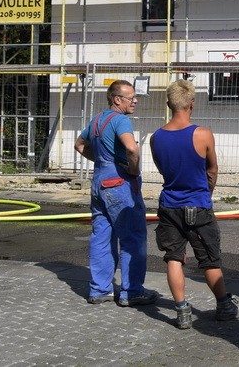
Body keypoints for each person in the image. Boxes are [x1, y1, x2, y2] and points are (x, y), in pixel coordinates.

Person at [149, 79, 239, 329]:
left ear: (169, 103)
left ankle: (181, 311)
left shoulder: (156, 137)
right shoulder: (202, 134)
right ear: (191, 103)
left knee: (173, 258)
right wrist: (206, 191)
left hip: (170, 204)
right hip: (198, 205)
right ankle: (224, 305)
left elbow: (163, 170)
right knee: (210, 260)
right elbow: (212, 169)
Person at [74, 80, 159, 307]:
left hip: (99, 182)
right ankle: (131, 292)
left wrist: (102, 162)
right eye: (131, 98)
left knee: (101, 236)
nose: (135, 101)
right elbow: (132, 148)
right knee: (132, 238)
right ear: (117, 100)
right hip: (119, 184)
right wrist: (131, 168)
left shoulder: (97, 120)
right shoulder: (121, 120)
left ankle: (99, 290)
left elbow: (80, 145)